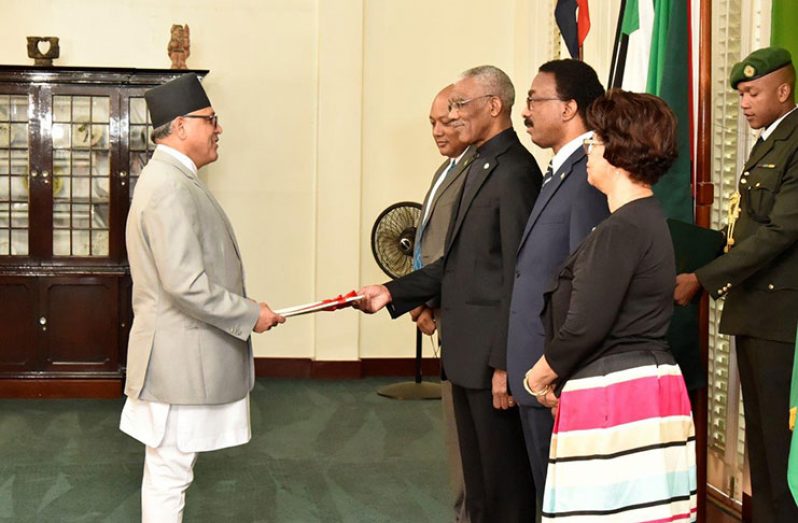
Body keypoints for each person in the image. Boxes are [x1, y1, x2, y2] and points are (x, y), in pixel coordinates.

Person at [356, 65, 540, 523]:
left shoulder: (515, 171)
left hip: (489, 359)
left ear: (493, 107)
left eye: (460, 105)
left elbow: (519, 276)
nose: (453, 115)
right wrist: (390, 292)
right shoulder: (477, 166)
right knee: (476, 486)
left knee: (503, 489)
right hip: (463, 352)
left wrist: (504, 362)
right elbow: (455, 265)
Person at [119, 73, 285, 522]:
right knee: (170, 470)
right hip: (177, 358)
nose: (219, 128)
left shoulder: (174, 179)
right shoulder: (168, 186)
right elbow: (185, 285)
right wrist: (251, 314)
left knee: (172, 469)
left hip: (181, 356)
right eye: (210, 119)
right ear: (179, 126)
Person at [525, 90, 697, 521]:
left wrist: (537, 378)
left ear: (619, 151)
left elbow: (585, 326)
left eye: (596, 140)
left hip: (617, 397)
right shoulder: (645, 218)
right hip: (639, 388)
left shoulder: (620, 230)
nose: (589, 149)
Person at [674, 46, 798, 522]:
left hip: (780, 318)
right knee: (762, 444)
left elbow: (782, 231)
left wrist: (703, 278)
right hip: (753, 309)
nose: (744, 103)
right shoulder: (771, 140)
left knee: (779, 444)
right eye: (741, 94)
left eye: (753, 92)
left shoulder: (796, 140)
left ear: (783, 91)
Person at [506, 59, 608, 506]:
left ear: (568, 108)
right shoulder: (559, 172)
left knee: (563, 500)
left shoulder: (587, 177)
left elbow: (584, 284)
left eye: (534, 99)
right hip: (536, 368)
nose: (525, 111)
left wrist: (557, 369)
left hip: (554, 374)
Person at [410, 84, 476, 522]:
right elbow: (426, 242)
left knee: (470, 440)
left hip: (466, 316)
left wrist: (421, 295)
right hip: (441, 308)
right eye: (432, 121)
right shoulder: (445, 170)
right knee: (456, 433)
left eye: (447, 121)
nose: (437, 130)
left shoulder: (477, 171)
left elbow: (459, 253)